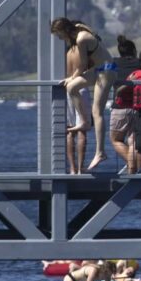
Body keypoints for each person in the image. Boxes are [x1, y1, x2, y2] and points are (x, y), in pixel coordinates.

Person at [49, 17, 115, 170]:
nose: (60, 38)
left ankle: (100, 152)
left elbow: (82, 66)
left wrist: (71, 77)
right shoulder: (78, 27)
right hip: (98, 70)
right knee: (71, 88)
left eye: (59, 35)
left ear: (65, 31)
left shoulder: (80, 39)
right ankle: (84, 121)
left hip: (107, 71)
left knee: (97, 111)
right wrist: (70, 80)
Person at [109, 35, 141, 174]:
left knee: (116, 140)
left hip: (120, 107)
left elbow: (100, 71)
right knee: (133, 141)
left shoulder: (113, 62)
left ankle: (132, 166)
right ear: (134, 50)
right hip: (138, 107)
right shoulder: (140, 63)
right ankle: (133, 168)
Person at [64, 38, 91, 175]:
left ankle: (72, 168)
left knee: (70, 130)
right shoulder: (82, 52)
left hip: (67, 87)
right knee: (82, 129)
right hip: (81, 86)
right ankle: (81, 168)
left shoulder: (67, 53)